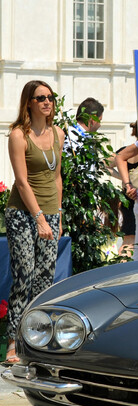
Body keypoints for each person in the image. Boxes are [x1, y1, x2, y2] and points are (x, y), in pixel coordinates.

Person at [3, 80, 66, 364]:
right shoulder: (19, 135)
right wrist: (39, 218)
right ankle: (14, 342)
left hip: (50, 213)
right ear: (29, 102)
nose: (46, 102)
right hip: (22, 213)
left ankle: (38, 340)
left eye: (50, 97)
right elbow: (22, 181)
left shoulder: (58, 134)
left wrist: (58, 215)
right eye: (40, 97)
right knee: (25, 274)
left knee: (45, 279)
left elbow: (56, 178)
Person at [114, 121, 138, 256]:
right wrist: (127, 181)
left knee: (128, 239)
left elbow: (104, 164)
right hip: (136, 196)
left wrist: (124, 180)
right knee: (132, 241)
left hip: (128, 197)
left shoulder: (125, 150)